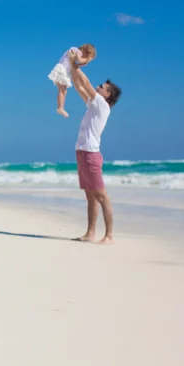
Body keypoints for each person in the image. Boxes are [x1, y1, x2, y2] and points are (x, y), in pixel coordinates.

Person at [67, 49, 122, 245]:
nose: (98, 87)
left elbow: (87, 84)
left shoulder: (103, 106)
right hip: (81, 152)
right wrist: (70, 68)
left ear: (107, 95)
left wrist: (75, 65)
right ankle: (90, 233)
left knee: (101, 195)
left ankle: (109, 236)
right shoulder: (94, 105)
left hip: (91, 154)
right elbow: (79, 86)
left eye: (102, 87)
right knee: (90, 196)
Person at [48, 44, 97, 118]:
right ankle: (60, 108)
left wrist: (85, 62)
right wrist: (87, 60)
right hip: (62, 69)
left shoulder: (76, 53)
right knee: (62, 90)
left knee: (63, 91)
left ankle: (60, 107)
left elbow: (77, 64)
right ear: (86, 52)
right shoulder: (76, 50)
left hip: (63, 70)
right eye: (87, 56)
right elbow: (80, 60)